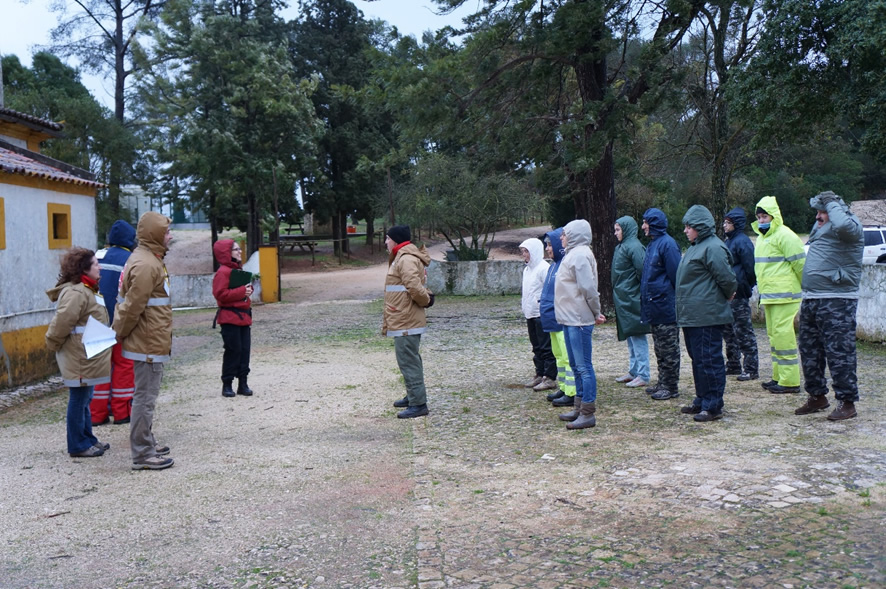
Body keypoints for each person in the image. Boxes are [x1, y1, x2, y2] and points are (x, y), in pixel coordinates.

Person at [113, 211, 175, 470]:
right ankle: (142, 453)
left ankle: (146, 442)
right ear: (154, 234)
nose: (170, 236)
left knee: (146, 396)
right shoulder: (147, 264)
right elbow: (132, 307)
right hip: (147, 341)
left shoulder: (148, 258)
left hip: (150, 338)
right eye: (166, 232)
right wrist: (119, 332)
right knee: (145, 398)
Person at [795, 191, 864, 420]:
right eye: (817, 211)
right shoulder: (822, 227)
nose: (818, 216)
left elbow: (842, 224)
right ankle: (817, 396)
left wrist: (832, 203)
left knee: (839, 353)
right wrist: (825, 209)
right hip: (812, 298)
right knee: (810, 351)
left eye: (822, 212)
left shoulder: (849, 225)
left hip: (837, 300)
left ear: (836, 210)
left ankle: (847, 402)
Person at [45, 247, 113, 458]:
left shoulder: (87, 289)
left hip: (86, 354)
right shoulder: (77, 292)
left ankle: (87, 439)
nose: (99, 268)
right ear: (84, 268)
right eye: (95, 264)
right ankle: (78, 444)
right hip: (79, 355)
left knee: (85, 398)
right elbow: (62, 322)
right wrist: (52, 342)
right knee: (79, 399)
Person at [676, 206, 737, 422]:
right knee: (698, 360)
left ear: (700, 227)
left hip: (707, 316)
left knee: (709, 359)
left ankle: (713, 405)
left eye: (689, 226)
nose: (685, 230)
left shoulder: (713, 247)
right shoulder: (696, 246)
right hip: (692, 316)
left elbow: (728, 279)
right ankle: (702, 399)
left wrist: (727, 295)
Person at [554, 219, 605, 430]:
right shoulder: (573, 254)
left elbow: (588, 288)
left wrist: (596, 312)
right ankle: (578, 406)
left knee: (584, 367)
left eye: (565, 234)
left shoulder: (581, 255)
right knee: (576, 366)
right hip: (569, 319)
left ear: (575, 235)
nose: (561, 237)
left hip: (579, 320)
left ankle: (587, 412)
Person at [752, 196, 806, 394]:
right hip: (770, 295)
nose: (761, 220)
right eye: (759, 217)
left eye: (764, 216)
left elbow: (801, 265)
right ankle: (779, 377)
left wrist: (804, 287)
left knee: (783, 337)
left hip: (785, 295)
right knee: (775, 337)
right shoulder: (762, 238)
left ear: (774, 216)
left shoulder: (786, 235)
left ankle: (790, 381)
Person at [383, 225, 434, 419]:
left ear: (396, 239)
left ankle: (418, 404)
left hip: (406, 318)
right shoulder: (402, 257)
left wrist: (426, 300)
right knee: (407, 359)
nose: (386, 242)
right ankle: (413, 396)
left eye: (388, 238)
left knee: (409, 360)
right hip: (403, 317)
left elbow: (414, 286)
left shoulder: (405, 259)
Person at [90, 220, 136, 425]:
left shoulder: (97, 256)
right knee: (123, 366)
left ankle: (96, 414)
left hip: (95, 322)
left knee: (99, 368)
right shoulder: (130, 260)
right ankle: (121, 412)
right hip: (118, 322)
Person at [639, 208, 682, 400]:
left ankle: (671, 386)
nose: (643, 227)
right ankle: (663, 382)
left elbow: (676, 276)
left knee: (669, 349)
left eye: (645, 222)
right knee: (660, 349)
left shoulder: (668, 245)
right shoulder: (653, 244)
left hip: (665, 307)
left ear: (654, 223)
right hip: (655, 307)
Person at [538, 229, 578, 409]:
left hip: (561, 320)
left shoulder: (565, 265)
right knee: (559, 357)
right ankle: (563, 387)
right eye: (546, 245)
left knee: (568, 358)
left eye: (549, 245)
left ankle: (572, 392)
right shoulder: (553, 266)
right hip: (551, 321)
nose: (547, 249)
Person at [611, 216, 651, 389]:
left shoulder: (634, 247)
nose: (615, 233)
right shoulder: (621, 246)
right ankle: (634, 370)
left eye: (618, 230)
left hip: (632, 298)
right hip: (624, 298)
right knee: (630, 335)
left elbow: (642, 270)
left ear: (626, 229)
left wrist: (636, 292)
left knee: (637, 335)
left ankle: (643, 373)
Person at [212, 239, 254, 398]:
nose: (240, 251)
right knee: (233, 351)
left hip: (243, 317)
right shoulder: (223, 272)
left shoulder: (237, 270)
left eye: (239, 249)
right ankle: (227, 384)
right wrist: (242, 291)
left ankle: (243, 383)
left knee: (244, 351)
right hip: (230, 318)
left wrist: (248, 289)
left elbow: (240, 290)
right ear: (226, 253)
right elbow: (220, 294)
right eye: (236, 249)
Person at [721, 208, 759, 381]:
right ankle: (733, 364)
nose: (724, 225)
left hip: (739, 292)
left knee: (743, 331)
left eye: (728, 223)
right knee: (729, 331)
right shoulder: (728, 241)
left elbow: (750, 268)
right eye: (724, 222)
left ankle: (751, 368)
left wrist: (745, 285)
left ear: (736, 224)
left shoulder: (742, 242)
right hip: (728, 293)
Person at [519, 237, 557, 392]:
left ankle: (549, 376)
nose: (524, 254)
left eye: (526, 251)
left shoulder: (543, 268)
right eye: (522, 251)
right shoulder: (527, 270)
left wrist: (542, 306)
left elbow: (548, 290)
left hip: (541, 313)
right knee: (536, 346)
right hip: (530, 312)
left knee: (546, 346)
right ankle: (539, 373)